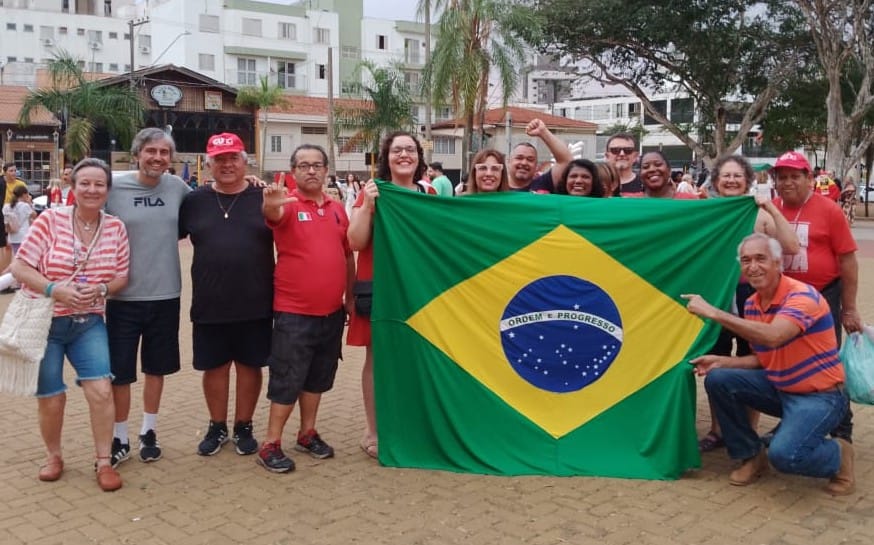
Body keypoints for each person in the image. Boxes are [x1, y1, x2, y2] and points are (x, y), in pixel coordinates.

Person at [682, 233, 854, 496]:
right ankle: (751, 455)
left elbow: (774, 336)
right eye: (746, 260)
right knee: (718, 379)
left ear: (777, 263)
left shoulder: (802, 297)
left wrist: (713, 312)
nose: (753, 266)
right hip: (780, 386)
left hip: (821, 396)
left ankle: (839, 454)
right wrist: (723, 361)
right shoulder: (752, 303)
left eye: (761, 259)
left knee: (786, 456)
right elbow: (764, 359)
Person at [11, 157, 130, 491]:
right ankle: (54, 456)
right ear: (73, 187)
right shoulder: (50, 220)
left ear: (108, 190)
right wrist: (54, 288)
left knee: (101, 389)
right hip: (45, 322)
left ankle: (104, 460)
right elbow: (20, 268)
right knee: (51, 397)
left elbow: (122, 276)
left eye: (99, 184)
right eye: (85, 183)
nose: (92, 190)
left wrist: (103, 289)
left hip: (88, 321)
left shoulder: (116, 228)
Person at [256, 144, 354, 473]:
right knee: (287, 378)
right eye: (303, 165)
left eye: (316, 165)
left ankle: (307, 433)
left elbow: (347, 255)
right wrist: (270, 205)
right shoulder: (286, 204)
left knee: (317, 377)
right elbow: (273, 215)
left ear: (326, 170)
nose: (311, 171)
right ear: (293, 171)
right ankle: (271, 443)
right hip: (293, 312)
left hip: (331, 312)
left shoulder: (338, 208)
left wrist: (350, 298)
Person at [178, 132, 273, 458]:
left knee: (250, 367)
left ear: (245, 162)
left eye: (233, 157)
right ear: (209, 164)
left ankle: (243, 425)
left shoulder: (263, 196)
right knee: (214, 367)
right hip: (210, 301)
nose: (227, 164)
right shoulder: (194, 201)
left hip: (256, 300)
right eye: (220, 159)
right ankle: (217, 425)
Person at [697, 154, 800, 452]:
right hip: (715, 295)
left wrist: (769, 207)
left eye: (737, 176)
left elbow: (791, 247)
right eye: (725, 176)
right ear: (716, 181)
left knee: (751, 359)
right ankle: (718, 430)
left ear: (747, 181)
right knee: (715, 362)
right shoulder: (705, 210)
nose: (730, 180)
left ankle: (748, 430)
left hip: (751, 296)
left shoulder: (759, 213)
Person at [104, 127, 191, 467]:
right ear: (137, 153)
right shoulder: (113, 187)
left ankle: (148, 431)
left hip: (166, 295)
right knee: (120, 372)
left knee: (157, 369)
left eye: (164, 153)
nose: (157, 158)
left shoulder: (179, 188)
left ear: (171, 158)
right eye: (151, 151)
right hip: (121, 298)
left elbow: (212, 202)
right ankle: (120, 436)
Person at [347, 131, 428, 459]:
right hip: (379, 285)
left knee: (415, 357)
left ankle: (410, 426)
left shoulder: (429, 193)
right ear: (387, 157)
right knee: (376, 359)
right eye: (397, 150)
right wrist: (368, 206)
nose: (404, 155)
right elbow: (355, 241)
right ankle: (374, 429)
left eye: (410, 149)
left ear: (419, 156)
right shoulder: (373, 192)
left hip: (417, 289)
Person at [506, 119, 572, 193]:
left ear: (536, 166)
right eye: (519, 158)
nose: (524, 163)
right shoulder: (497, 187)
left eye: (530, 159)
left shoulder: (544, 184)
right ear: (508, 162)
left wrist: (543, 132)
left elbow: (566, 161)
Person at [3, 185, 36, 255]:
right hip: (23, 237)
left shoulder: (6, 206)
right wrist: (29, 202)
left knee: (16, 257)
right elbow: (34, 215)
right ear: (24, 194)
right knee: (23, 259)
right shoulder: (25, 206)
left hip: (12, 237)